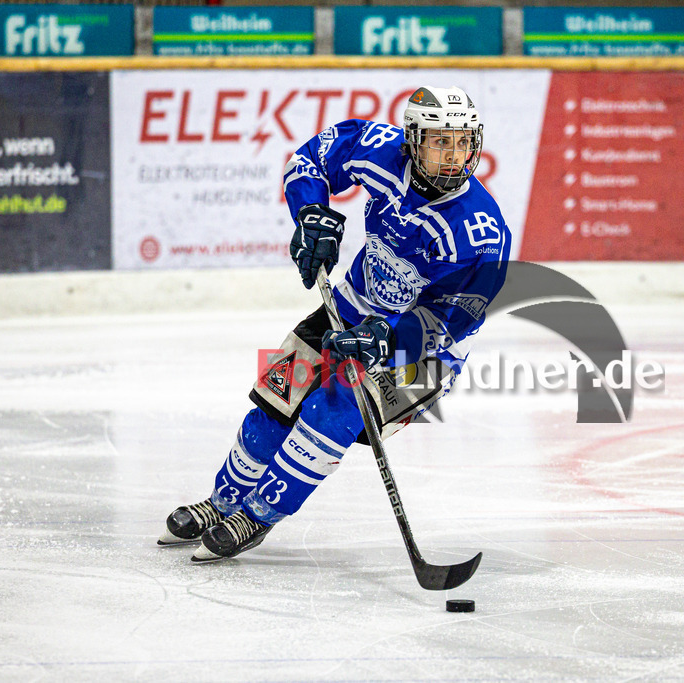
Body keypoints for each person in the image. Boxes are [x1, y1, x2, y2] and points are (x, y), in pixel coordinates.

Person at [158, 85, 511, 562]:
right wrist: (309, 213)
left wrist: (389, 339)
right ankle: (223, 502)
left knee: (334, 407)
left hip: (425, 352)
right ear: (411, 140)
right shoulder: (378, 150)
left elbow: (456, 317)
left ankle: (257, 515)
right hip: (350, 303)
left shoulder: (481, 232)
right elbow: (308, 161)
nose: (453, 156)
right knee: (277, 398)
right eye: (439, 141)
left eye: (462, 142)